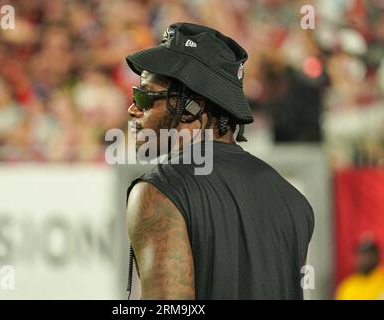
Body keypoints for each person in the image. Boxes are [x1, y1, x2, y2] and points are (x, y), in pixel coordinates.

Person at [125, 22, 314, 299]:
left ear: (193, 106)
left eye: (143, 95)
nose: (132, 110)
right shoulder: (295, 202)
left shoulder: (158, 193)